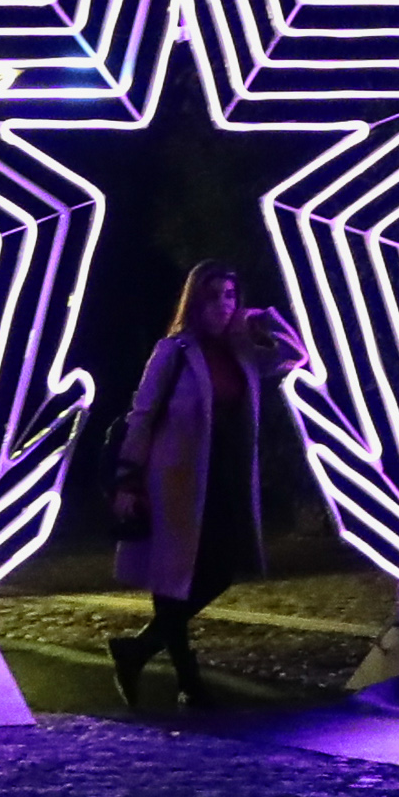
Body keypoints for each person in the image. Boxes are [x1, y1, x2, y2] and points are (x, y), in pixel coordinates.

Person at [106, 260, 308, 710]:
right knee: (174, 578)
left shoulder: (244, 352)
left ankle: (137, 650)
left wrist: (264, 318)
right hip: (173, 479)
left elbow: (297, 355)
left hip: (221, 477)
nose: (223, 305)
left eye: (230, 296)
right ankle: (189, 683)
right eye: (214, 296)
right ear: (196, 302)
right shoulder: (174, 351)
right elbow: (142, 416)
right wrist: (127, 479)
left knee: (218, 571)